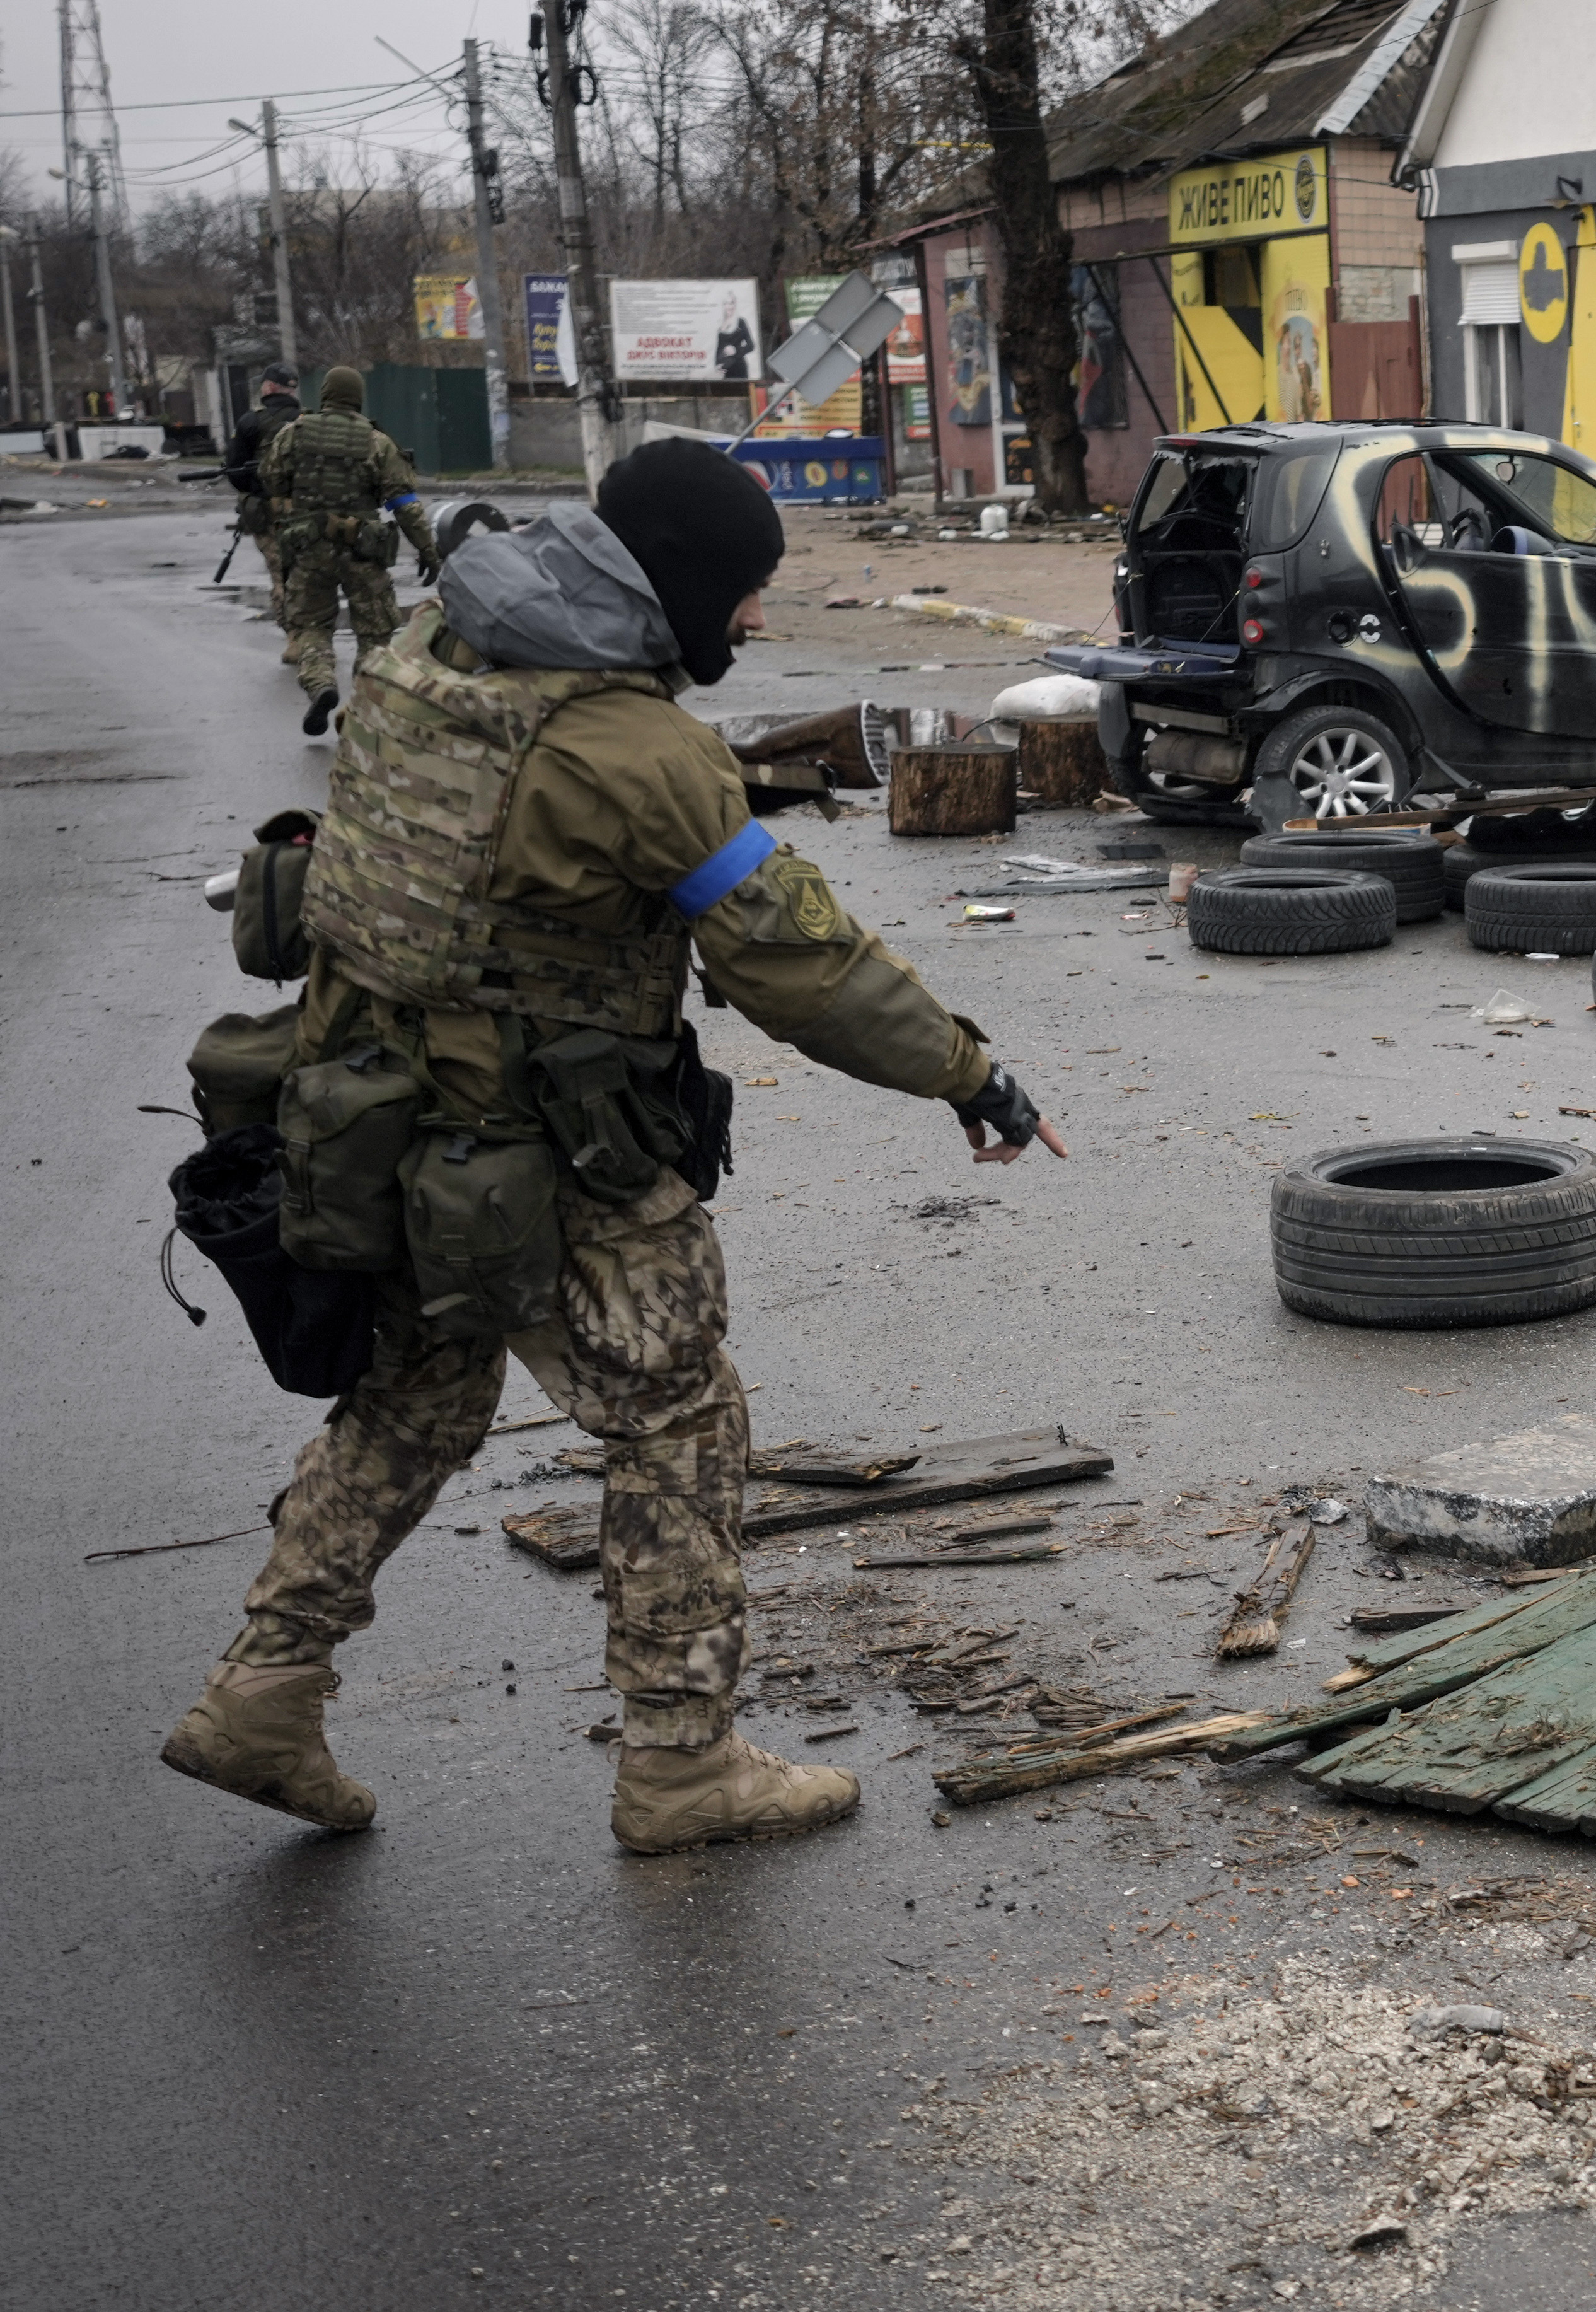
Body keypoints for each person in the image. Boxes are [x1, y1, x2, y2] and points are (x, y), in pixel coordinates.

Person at [160, 440, 1071, 1856]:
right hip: (548, 1157)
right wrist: (970, 1074)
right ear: (680, 587)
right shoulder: (638, 752)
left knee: (411, 1406)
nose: (758, 621)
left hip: (364, 1119)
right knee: (682, 1419)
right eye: (747, 593)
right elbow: (798, 965)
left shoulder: (434, 644)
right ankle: (681, 1763)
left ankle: (262, 1695)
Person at [260, 364, 441, 735]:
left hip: (309, 548)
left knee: (311, 626)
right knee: (374, 632)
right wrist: (428, 551)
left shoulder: (292, 435)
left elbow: (272, 480)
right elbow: (404, 504)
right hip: (362, 550)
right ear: (358, 397)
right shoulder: (377, 442)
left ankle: (322, 683)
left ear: (324, 394)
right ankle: (363, 706)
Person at [222, 364, 307, 648]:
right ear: (292, 390)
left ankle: (295, 636)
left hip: (267, 512)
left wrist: (257, 493)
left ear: (269, 388)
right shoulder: (310, 420)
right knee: (306, 571)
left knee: (280, 571)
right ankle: (313, 634)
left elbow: (235, 471)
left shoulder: (250, 422)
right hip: (306, 510)